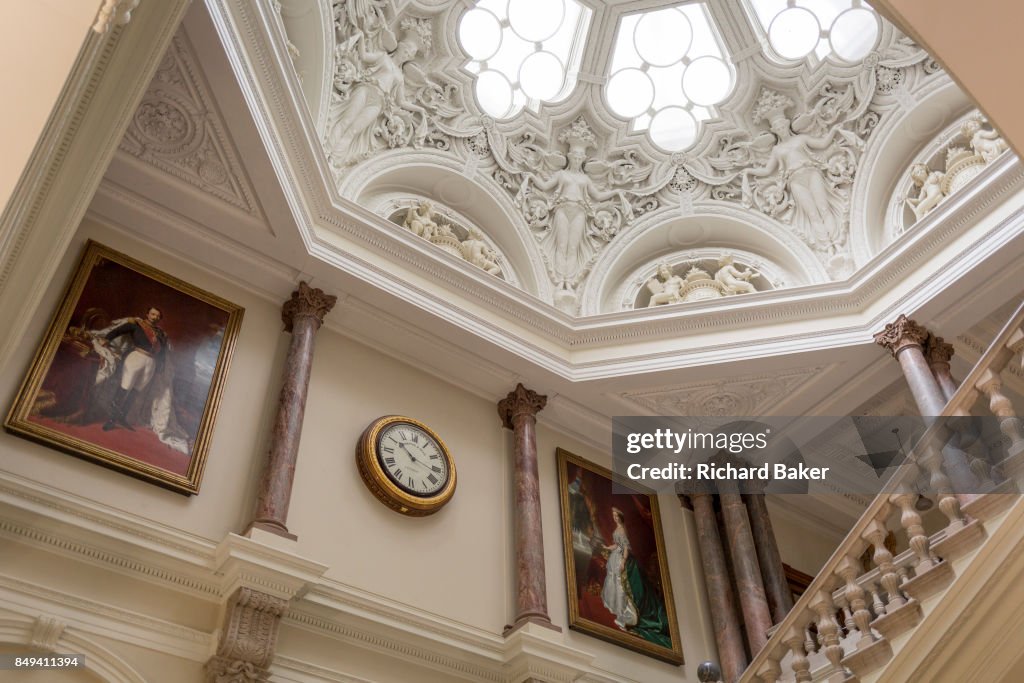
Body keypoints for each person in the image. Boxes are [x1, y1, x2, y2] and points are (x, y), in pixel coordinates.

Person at [743, 113, 848, 255]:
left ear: (787, 125)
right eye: (778, 128)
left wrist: (834, 130)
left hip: (811, 173)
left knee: (823, 208)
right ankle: (827, 245)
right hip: (795, 181)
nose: (781, 129)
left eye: (783, 126)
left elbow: (822, 144)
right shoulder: (777, 150)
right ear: (775, 131)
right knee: (812, 214)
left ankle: (836, 241)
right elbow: (767, 170)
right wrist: (749, 171)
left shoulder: (801, 139)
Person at [600, 507, 672, 646]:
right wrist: (607, 548)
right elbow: (617, 545)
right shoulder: (617, 529)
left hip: (625, 560)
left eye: (616, 516)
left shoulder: (622, 529)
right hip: (617, 557)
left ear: (620, 517)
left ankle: (631, 614)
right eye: (613, 516)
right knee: (616, 583)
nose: (614, 518)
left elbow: (626, 547)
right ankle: (621, 608)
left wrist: (623, 561)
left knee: (630, 587)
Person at [98, 306, 167, 431]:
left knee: (136, 391)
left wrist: (161, 365)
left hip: (151, 363)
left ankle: (122, 417)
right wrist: (106, 338)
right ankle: (111, 419)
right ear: (147, 314)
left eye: (157, 316)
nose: (155, 317)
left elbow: (163, 351)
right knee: (124, 388)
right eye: (153, 314)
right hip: (136, 357)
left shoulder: (161, 333)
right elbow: (119, 330)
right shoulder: (137, 325)